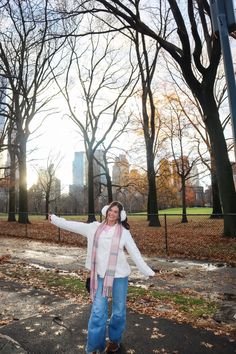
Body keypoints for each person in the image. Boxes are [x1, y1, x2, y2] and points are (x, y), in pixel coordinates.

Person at [49, 201, 155, 354]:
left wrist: (147, 271)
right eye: (110, 211)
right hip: (99, 275)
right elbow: (72, 225)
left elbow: (134, 252)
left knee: (118, 312)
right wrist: (54, 219)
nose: (112, 214)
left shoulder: (124, 232)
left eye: (115, 212)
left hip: (119, 276)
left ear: (119, 216)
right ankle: (93, 348)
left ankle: (114, 341)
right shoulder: (93, 228)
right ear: (106, 211)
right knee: (98, 311)